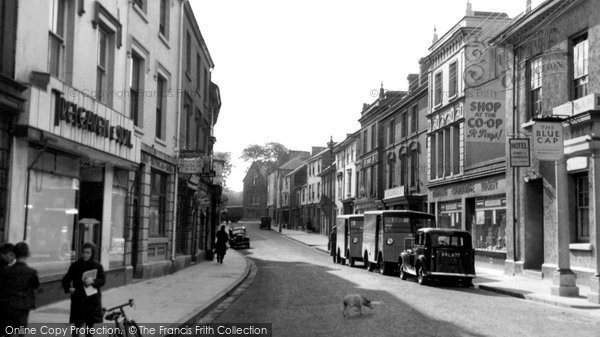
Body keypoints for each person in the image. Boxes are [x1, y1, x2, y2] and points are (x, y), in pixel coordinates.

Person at [61, 242, 105, 337]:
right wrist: (69, 288)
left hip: (92, 301)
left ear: (92, 253)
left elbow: (102, 280)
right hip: (79, 300)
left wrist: (93, 281)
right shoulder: (75, 266)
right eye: (83, 252)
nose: (85, 255)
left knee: (89, 328)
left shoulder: (97, 265)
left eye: (88, 253)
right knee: (77, 326)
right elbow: (65, 279)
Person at [0, 242, 39, 336]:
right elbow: (35, 285)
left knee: (7, 332)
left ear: (15, 254)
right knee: (21, 331)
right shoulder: (31, 272)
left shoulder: (6, 270)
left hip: (8, 305)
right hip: (23, 306)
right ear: (28, 254)